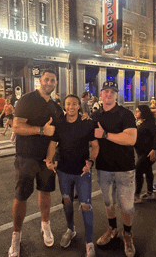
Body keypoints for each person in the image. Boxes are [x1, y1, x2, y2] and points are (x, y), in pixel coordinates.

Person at [8, 69, 64, 257]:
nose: (49, 82)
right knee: (21, 196)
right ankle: (16, 236)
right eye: (46, 79)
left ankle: (45, 225)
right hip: (26, 157)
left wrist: (51, 158)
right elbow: (16, 126)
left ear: (56, 83)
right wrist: (41, 130)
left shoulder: (56, 107)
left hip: (46, 160)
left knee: (46, 192)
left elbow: (56, 135)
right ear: (40, 80)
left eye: (53, 80)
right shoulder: (27, 99)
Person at [44, 94, 99, 257]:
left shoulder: (87, 123)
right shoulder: (59, 124)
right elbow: (53, 144)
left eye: (74, 104)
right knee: (67, 201)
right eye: (68, 104)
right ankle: (71, 230)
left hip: (82, 171)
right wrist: (49, 160)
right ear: (65, 106)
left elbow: (95, 146)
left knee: (85, 205)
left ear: (78, 106)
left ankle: (89, 241)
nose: (71, 107)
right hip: (63, 171)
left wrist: (90, 162)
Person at [91, 81, 137, 257]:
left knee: (127, 206)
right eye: (105, 91)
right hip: (103, 167)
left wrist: (105, 135)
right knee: (109, 202)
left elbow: (131, 139)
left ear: (117, 95)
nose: (109, 94)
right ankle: (112, 229)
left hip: (124, 168)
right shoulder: (95, 116)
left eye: (112, 91)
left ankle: (127, 234)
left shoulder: (126, 114)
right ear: (101, 94)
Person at [134, 105, 156, 203]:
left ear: (143, 112)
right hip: (141, 152)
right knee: (148, 170)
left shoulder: (149, 124)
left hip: (149, 153)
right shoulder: (140, 123)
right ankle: (150, 193)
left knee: (138, 171)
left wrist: (154, 150)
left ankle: (136, 195)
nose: (136, 113)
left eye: (138, 111)